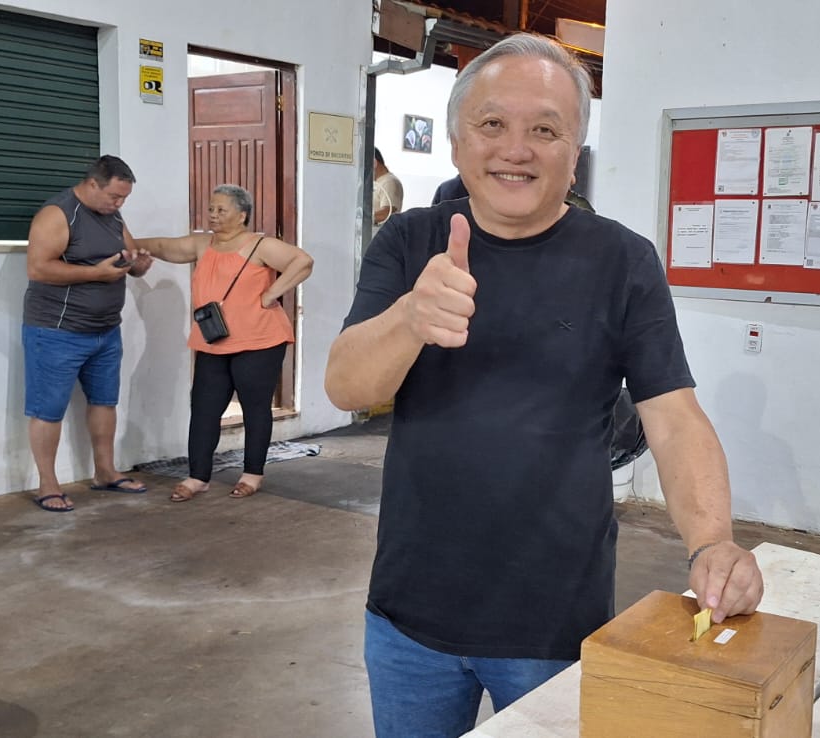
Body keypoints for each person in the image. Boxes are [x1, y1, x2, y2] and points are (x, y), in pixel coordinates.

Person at [326, 34, 765, 737]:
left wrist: (712, 541)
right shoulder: (408, 241)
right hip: (409, 616)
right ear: (457, 141)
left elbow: (674, 417)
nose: (516, 149)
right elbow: (347, 385)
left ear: (575, 151)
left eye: (544, 130)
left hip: (555, 620)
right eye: (492, 123)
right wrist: (410, 317)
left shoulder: (622, 260)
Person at [136, 184, 313, 502]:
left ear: (242, 215)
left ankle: (252, 473)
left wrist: (271, 294)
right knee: (204, 408)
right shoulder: (202, 244)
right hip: (214, 340)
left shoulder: (259, 245)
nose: (213, 215)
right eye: (211, 209)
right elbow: (164, 246)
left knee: (255, 408)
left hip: (259, 340)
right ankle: (198, 476)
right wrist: (130, 243)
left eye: (221, 210)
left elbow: (302, 261)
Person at [22, 155, 155, 512]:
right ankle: (48, 485)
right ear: (93, 184)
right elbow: (38, 268)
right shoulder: (58, 214)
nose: (119, 204)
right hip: (56, 330)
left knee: (104, 402)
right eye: (115, 196)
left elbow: (126, 259)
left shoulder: (113, 216)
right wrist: (95, 274)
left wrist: (138, 266)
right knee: (48, 409)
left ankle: (105, 472)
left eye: (124, 198)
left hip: (106, 331)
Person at [373, 148, 405, 228]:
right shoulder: (377, 181)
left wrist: (361, 218)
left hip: (380, 234)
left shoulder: (389, 182)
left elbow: (387, 214)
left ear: (374, 163)